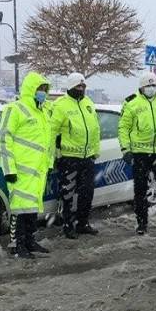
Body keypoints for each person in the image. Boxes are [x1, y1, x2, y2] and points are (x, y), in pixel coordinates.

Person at [0, 72, 54, 258]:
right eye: (40, 89)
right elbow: (4, 140)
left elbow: (48, 142)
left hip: (38, 172)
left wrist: (49, 164)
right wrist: (9, 169)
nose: (43, 93)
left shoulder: (44, 112)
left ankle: (29, 241)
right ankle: (17, 245)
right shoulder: (15, 109)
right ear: (31, 89)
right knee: (20, 210)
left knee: (32, 210)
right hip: (20, 171)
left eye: (45, 89)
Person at [118, 72, 156, 235]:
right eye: (148, 86)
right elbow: (123, 128)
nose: (151, 88)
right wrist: (126, 149)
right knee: (140, 190)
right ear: (141, 87)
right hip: (140, 154)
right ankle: (142, 223)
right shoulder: (132, 103)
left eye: (154, 85)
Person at [50, 72, 101, 239]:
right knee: (68, 194)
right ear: (71, 87)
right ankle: (67, 225)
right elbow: (52, 132)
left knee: (87, 193)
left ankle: (83, 223)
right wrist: (55, 155)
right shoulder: (60, 105)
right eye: (79, 86)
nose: (82, 89)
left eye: (83, 86)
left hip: (87, 158)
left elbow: (95, 129)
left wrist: (95, 151)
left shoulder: (88, 103)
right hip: (69, 158)